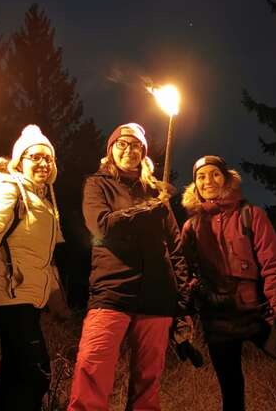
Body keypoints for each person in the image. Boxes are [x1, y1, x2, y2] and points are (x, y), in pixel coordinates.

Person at [178, 155, 276, 411]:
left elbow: (273, 266)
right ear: (195, 186)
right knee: (232, 393)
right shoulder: (191, 227)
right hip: (218, 322)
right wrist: (182, 326)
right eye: (201, 177)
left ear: (226, 179)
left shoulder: (251, 215)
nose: (208, 180)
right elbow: (187, 278)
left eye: (214, 174)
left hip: (258, 315)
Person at [68, 123, 189, 411]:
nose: (128, 150)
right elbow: (102, 226)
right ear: (110, 150)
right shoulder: (98, 184)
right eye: (121, 144)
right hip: (113, 292)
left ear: (143, 152)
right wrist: (146, 210)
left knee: (148, 382)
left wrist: (184, 302)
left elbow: (176, 249)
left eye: (135, 145)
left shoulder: (156, 193)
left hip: (157, 297)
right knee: (92, 370)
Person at [0, 124, 66, 411]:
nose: (43, 163)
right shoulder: (10, 190)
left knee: (14, 376)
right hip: (8, 296)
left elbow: (43, 260)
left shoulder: (43, 201)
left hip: (26, 299)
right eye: (34, 157)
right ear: (19, 162)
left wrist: (57, 300)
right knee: (36, 373)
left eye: (47, 158)